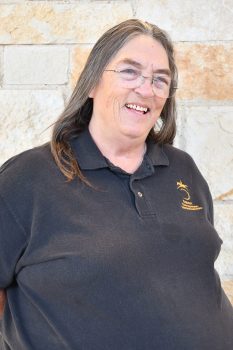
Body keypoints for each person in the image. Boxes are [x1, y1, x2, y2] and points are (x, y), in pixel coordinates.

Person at [0, 18, 232, 350]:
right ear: (92, 82)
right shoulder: (29, 178)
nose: (145, 88)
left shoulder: (182, 168)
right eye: (129, 71)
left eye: (160, 79)